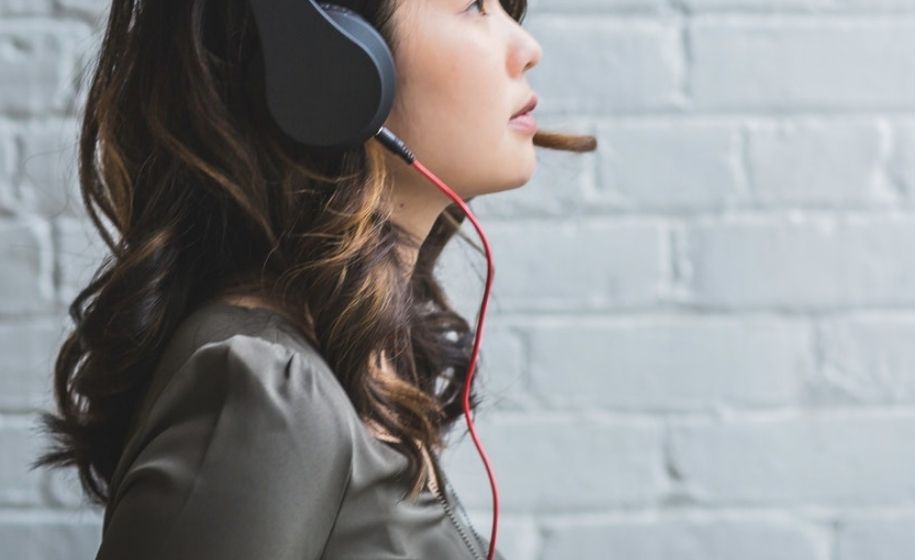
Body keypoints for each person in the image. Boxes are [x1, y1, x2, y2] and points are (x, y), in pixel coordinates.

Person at [31, 0, 596, 558]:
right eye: (473, 5)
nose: (527, 48)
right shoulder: (262, 393)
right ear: (329, 56)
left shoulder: (338, 364)